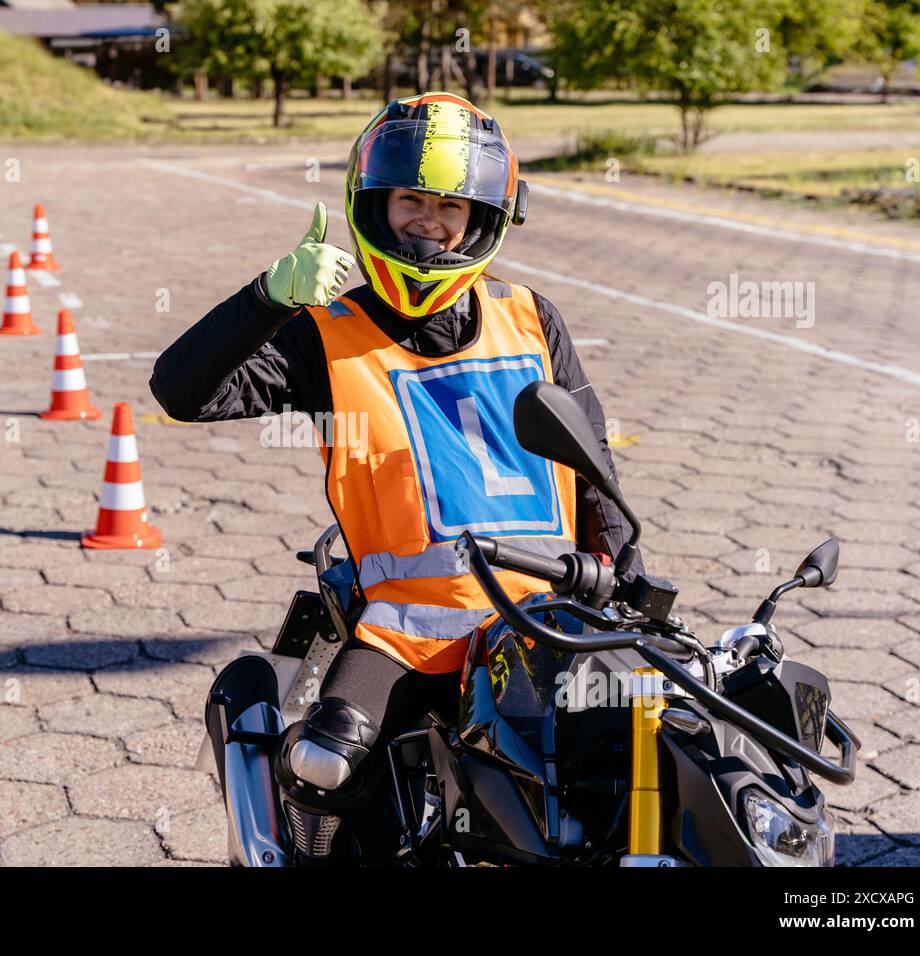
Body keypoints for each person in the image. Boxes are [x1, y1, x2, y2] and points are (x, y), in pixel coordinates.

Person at [150, 92, 642, 862]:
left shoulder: (531, 316)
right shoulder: (323, 333)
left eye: (452, 205)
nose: (429, 221)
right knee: (322, 767)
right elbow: (180, 392)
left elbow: (594, 469)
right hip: (406, 632)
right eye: (412, 198)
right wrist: (268, 298)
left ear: (486, 218)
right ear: (373, 202)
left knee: (615, 780)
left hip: (541, 618)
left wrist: (626, 577)